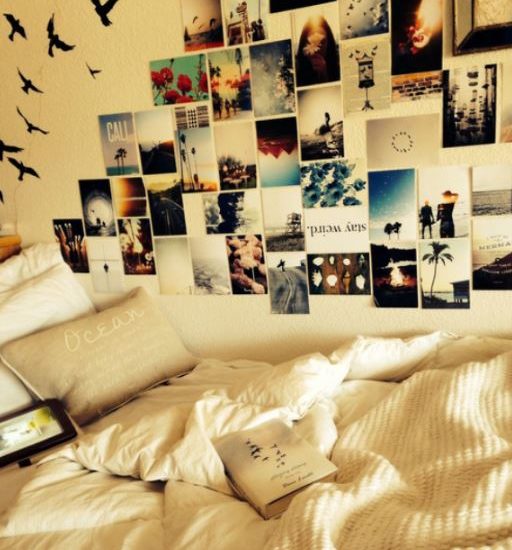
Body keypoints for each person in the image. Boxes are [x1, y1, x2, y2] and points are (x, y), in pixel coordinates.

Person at [295, 15, 340, 87]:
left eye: (322, 42)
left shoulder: (339, 68)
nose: (317, 49)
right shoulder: (296, 70)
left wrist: (324, 75)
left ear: (329, 43)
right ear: (304, 44)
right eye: (311, 43)